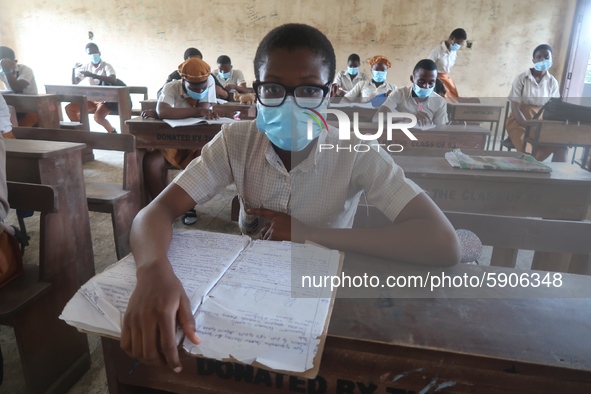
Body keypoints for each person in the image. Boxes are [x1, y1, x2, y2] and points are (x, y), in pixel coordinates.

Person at [121, 23, 460, 372]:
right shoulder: (236, 141)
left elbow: (443, 243)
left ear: (329, 93)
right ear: (257, 90)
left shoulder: (356, 150)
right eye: (273, 88)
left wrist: (305, 233)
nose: (290, 103)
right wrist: (152, 269)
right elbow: (156, 211)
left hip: (321, 293)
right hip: (248, 290)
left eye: (310, 91)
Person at [143, 57, 218, 224]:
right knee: (152, 162)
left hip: (197, 140)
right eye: (194, 88)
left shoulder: (210, 81)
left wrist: (176, 111)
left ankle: (187, 207)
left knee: (196, 163)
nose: (199, 92)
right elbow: (163, 112)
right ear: (183, 80)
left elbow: (203, 111)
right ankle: (161, 208)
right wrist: (196, 111)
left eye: (202, 88)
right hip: (173, 139)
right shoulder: (171, 87)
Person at [506, 44, 567, 162]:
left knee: (561, 145)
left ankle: (558, 178)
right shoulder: (522, 79)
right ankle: (530, 176)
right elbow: (515, 108)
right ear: (533, 60)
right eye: (538, 57)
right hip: (519, 121)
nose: (542, 59)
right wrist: (528, 125)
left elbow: (554, 107)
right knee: (527, 151)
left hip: (541, 122)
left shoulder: (552, 82)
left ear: (552, 58)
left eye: (546, 56)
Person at [375, 59, 448, 127]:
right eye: (421, 82)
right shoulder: (400, 93)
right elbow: (377, 118)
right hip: (400, 138)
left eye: (431, 83)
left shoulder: (439, 102)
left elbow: (440, 131)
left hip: (425, 139)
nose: (426, 86)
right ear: (412, 79)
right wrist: (407, 117)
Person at [65, 43, 118, 133]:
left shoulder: (106, 66)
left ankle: (112, 131)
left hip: (105, 100)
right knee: (70, 108)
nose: (93, 55)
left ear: (99, 53)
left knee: (98, 117)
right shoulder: (87, 67)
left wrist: (93, 75)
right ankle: (82, 132)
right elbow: (75, 82)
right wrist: (73, 70)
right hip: (91, 99)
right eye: (90, 53)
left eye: (94, 52)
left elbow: (112, 79)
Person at [156, 48, 229, 100]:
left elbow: (228, 96)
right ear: (185, 63)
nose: (195, 65)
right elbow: (160, 94)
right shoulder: (176, 75)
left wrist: (223, 93)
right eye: (191, 61)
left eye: (198, 61)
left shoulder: (207, 75)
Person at [0, 46, 39, 127]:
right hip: (13, 109)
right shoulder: (1, 70)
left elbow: (17, 88)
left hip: (30, 110)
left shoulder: (25, 70)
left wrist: (6, 70)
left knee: (13, 129)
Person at [427, 28, 467, 99]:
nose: (459, 46)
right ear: (452, 38)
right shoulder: (437, 51)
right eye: (458, 43)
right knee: (440, 99)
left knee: (453, 98)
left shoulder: (453, 52)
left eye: (460, 44)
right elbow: (428, 66)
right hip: (435, 79)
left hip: (446, 79)